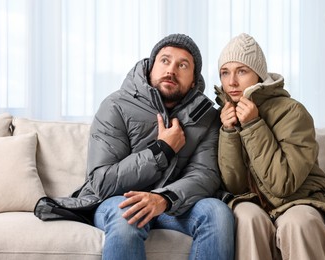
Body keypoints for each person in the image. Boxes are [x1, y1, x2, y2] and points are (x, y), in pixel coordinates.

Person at [35, 33, 235, 260]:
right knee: (126, 216)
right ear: (151, 67)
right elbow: (102, 181)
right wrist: (162, 150)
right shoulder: (115, 105)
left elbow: (205, 175)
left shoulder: (206, 117)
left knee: (217, 212)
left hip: (172, 204)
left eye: (183, 65)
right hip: (116, 200)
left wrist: (164, 198)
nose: (171, 70)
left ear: (193, 81)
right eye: (165, 60)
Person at [214, 33, 325, 260]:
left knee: (298, 223)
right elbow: (235, 186)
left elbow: (283, 184)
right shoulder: (224, 116)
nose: (231, 82)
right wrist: (229, 132)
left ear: (259, 75)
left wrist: (253, 125)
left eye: (241, 71)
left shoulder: (293, 112)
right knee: (246, 218)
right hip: (254, 201)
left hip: (299, 198)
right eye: (225, 72)